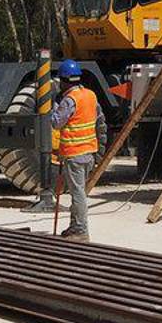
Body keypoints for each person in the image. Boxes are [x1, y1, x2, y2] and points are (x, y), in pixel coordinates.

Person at [49, 59, 107, 243]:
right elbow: (98, 120)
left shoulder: (69, 100)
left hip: (74, 153)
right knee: (78, 191)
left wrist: (53, 106)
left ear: (64, 80)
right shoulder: (90, 95)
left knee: (78, 193)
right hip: (89, 152)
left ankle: (81, 230)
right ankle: (74, 227)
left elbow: (56, 122)